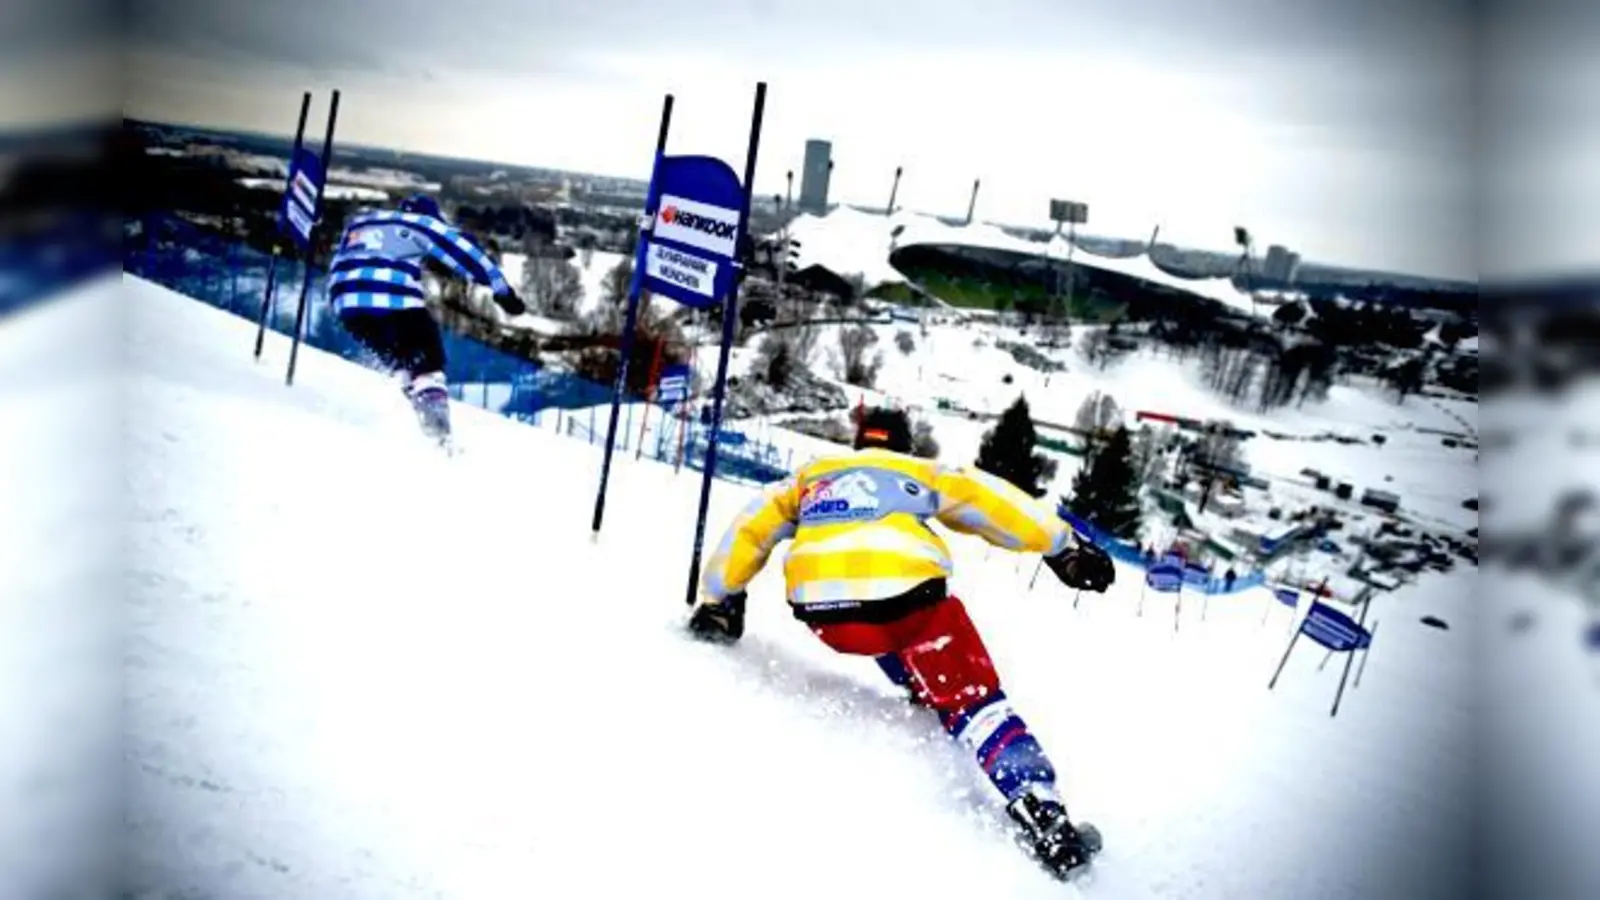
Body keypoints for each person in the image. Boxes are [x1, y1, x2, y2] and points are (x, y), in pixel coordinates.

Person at [687, 405, 1116, 878]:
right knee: (974, 702)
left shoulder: (810, 477)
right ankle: (1042, 811)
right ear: (904, 444)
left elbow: (749, 529)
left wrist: (719, 600)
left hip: (824, 615)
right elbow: (988, 500)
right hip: (906, 607)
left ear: (860, 444)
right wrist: (1064, 546)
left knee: (882, 619)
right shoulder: (916, 470)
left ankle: (919, 682)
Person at [327, 193, 525, 447]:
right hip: (389, 297)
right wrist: (502, 290)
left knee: (403, 362)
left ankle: (410, 403)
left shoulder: (363, 221)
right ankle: (439, 437)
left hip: (346, 305)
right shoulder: (420, 223)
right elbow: (463, 251)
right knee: (427, 360)